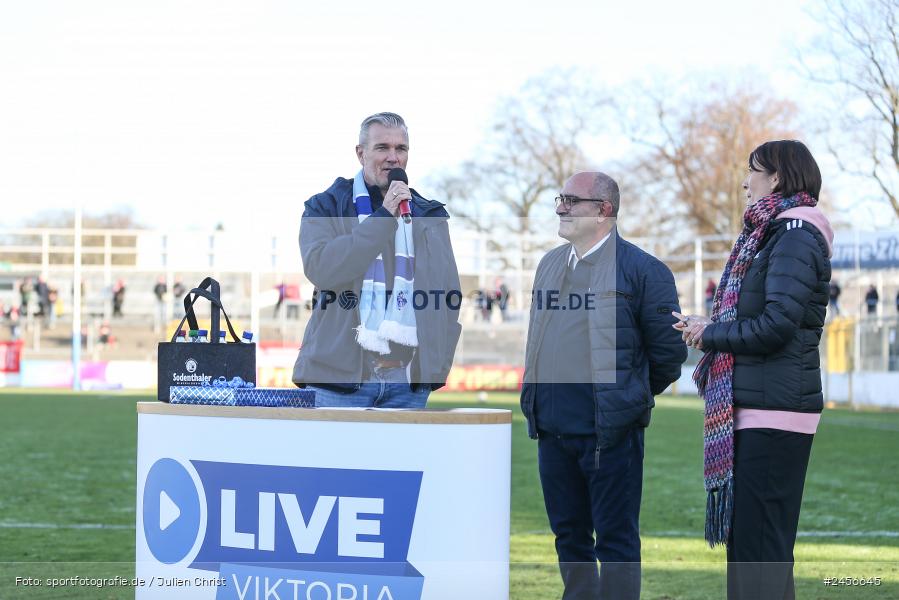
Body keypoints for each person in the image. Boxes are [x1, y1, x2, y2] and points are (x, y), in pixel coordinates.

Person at [674, 140, 832, 600]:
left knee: (758, 550)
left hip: (774, 411)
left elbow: (776, 325)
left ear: (777, 177)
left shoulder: (795, 234)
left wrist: (711, 334)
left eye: (752, 170)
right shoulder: (773, 235)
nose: (746, 181)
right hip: (763, 405)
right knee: (756, 551)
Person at [520, 171, 686, 600]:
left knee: (615, 542)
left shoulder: (645, 271)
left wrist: (627, 399)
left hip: (610, 437)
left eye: (571, 201)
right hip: (553, 434)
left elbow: (669, 354)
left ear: (603, 211)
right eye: (560, 199)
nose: (561, 207)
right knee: (569, 538)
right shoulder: (550, 264)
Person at [292, 112, 462, 408]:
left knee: (403, 458)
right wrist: (384, 216)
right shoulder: (325, 205)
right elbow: (323, 269)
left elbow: (448, 295)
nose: (393, 158)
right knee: (334, 457)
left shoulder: (429, 215)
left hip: (406, 385)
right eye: (382, 147)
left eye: (401, 149)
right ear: (361, 153)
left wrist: (433, 369)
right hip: (337, 381)